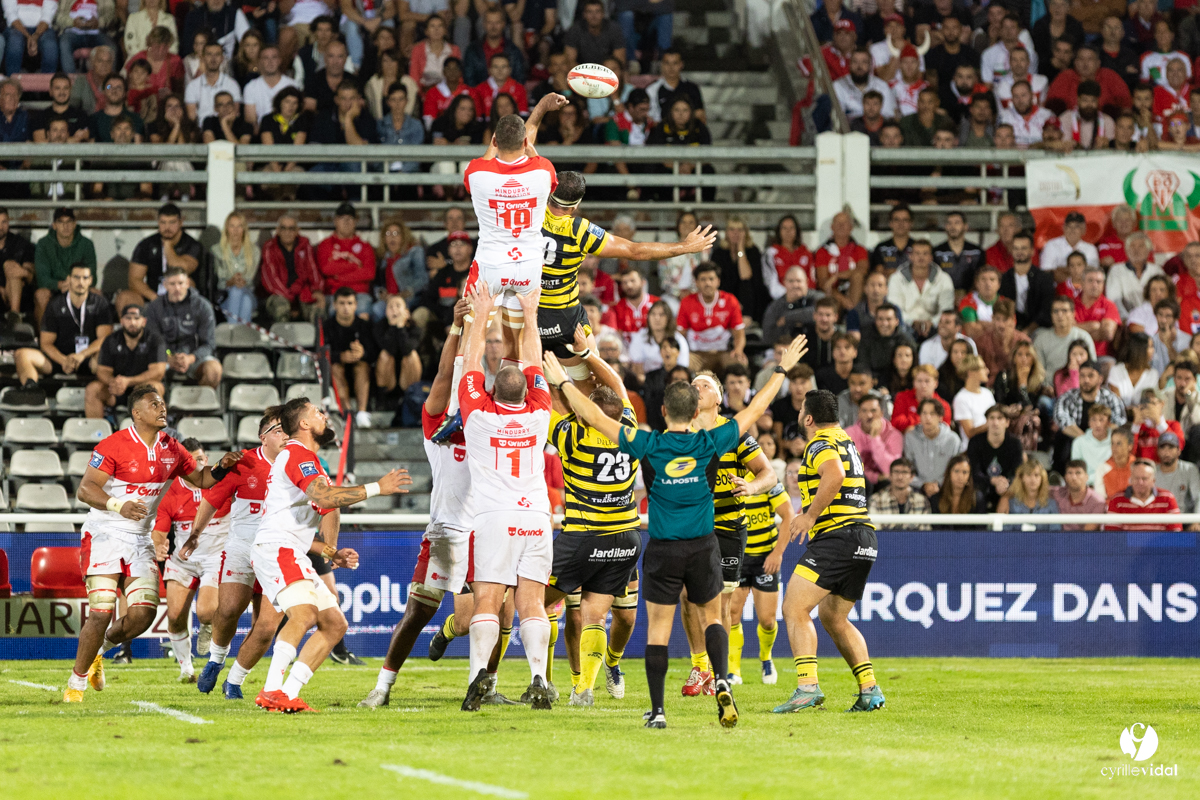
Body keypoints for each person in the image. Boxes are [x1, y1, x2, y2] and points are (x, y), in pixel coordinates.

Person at [546, 331, 806, 727]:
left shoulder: (648, 444)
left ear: (664, 412)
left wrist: (563, 381)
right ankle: (721, 682)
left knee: (661, 631)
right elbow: (756, 408)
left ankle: (658, 711)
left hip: (665, 549)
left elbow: (597, 417)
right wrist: (782, 369)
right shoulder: (711, 443)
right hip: (704, 547)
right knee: (714, 618)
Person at [359, 298, 516, 708]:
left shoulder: (493, 427)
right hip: (447, 534)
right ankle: (382, 688)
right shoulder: (437, 426)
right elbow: (447, 371)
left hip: (486, 533)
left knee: (495, 617)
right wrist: (456, 329)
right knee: (417, 614)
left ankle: (488, 687)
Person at [62, 385, 241, 703]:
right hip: (105, 533)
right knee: (102, 611)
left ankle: (98, 651)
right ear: (136, 413)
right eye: (153, 403)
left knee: (143, 615)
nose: (162, 407)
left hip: (139, 539)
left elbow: (201, 479)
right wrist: (119, 505)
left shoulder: (172, 448)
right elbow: (86, 489)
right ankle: (75, 686)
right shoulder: (113, 445)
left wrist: (222, 468)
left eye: (162, 402)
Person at [251, 397, 409, 712]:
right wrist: (377, 487)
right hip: (276, 546)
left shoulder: (308, 460)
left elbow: (326, 506)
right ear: (305, 424)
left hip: (291, 549)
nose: (324, 416)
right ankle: (271, 690)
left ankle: (289, 693)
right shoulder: (296, 454)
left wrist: (331, 551)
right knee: (305, 614)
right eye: (317, 412)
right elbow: (324, 496)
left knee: (335, 624)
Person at [454, 283, 556, 711]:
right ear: (526, 393)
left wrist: (480, 313)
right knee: (532, 601)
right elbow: (534, 361)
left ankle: (480, 673)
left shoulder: (477, 416)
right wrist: (529, 315)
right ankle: (537, 679)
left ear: (493, 393)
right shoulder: (539, 415)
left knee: (489, 600)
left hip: (494, 517)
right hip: (536, 516)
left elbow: (470, 362)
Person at [535, 333, 644, 706]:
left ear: (588, 414)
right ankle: (583, 688)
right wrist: (587, 353)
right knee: (596, 616)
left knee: (530, 600)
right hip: (626, 538)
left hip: (584, 537)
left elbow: (539, 407)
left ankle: (532, 680)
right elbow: (618, 387)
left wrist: (539, 367)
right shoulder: (630, 431)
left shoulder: (572, 436)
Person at [763, 388, 883, 714]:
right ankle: (870, 689)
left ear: (809, 417)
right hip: (863, 537)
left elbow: (835, 474)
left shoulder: (819, 442)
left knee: (793, 608)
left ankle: (807, 687)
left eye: (802, 410)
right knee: (833, 617)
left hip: (838, 537)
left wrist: (810, 514)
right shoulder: (845, 439)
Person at [677, 367, 780, 696]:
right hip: (692, 526)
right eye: (693, 385)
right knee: (687, 596)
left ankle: (719, 672)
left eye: (705, 384)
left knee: (720, 604)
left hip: (728, 528)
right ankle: (700, 668)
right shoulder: (680, 434)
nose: (698, 388)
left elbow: (769, 475)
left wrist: (750, 487)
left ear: (719, 397)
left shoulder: (734, 433)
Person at [186, 408, 286, 697]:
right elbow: (212, 499)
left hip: (278, 554)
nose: (283, 436)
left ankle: (235, 681)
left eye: (285, 430)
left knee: (266, 627)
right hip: (242, 548)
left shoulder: (298, 464)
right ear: (262, 437)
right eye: (277, 430)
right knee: (228, 610)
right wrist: (195, 534)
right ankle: (216, 661)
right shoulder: (244, 463)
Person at [150, 438, 232, 682]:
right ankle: (186, 669)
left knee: (206, 612)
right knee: (174, 617)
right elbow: (160, 532)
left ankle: (208, 626)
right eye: (192, 460)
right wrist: (158, 545)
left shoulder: (224, 484)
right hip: (183, 561)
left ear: (206, 460)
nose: (198, 464)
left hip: (215, 558)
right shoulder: (172, 493)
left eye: (201, 459)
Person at [10, 262, 113, 405]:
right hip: (59, 358)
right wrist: (64, 360)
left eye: (85, 278)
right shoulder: (55, 305)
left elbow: (104, 339)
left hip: (88, 358)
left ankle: (107, 396)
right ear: (69, 279)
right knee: (22, 354)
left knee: (104, 355)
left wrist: (82, 355)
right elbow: (46, 343)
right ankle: (31, 390)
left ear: (91, 280)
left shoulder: (100, 304)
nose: (80, 282)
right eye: (76, 277)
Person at [144, 268, 222, 389]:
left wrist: (190, 358)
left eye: (180, 283)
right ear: (165, 285)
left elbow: (209, 344)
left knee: (214, 371)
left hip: (193, 357)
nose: (177, 288)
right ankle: (159, 404)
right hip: (164, 357)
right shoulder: (154, 308)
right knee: (145, 370)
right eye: (172, 284)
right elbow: (151, 341)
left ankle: (200, 403)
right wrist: (168, 357)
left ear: (187, 283)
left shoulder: (202, 306)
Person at [85, 305, 167, 418]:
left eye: (137, 318)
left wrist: (128, 381)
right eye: (128, 318)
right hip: (116, 390)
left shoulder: (155, 340)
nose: (132, 322)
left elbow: (158, 372)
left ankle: (153, 434)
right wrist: (114, 382)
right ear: (121, 321)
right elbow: (103, 371)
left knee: (154, 388)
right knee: (92, 389)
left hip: (141, 387)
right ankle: (96, 434)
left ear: (144, 321)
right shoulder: (110, 340)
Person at [119, 203, 202, 311]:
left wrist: (168, 247)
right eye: (163, 222)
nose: (167, 227)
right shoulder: (146, 244)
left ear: (181, 222)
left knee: (188, 284)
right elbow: (134, 280)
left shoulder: (192, 245)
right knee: (124, 297)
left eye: (172, 222)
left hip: (180, 295)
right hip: (153, 296)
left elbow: (181, 270)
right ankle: (131, 327)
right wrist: (155, 298)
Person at [1054, 358, 1126, 473]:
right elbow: (1062, 420)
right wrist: (1087, 440)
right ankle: (1060, 476)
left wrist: (1097, 439)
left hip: (1103, 440)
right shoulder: (1067, 398)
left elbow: (1119, 422)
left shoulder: (1111, 399)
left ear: (1100, 379)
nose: (1086, 380)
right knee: (1062, 437)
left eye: (1091, 376)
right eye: (1082, 376)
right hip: (1077, 438)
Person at [676, 261, 747, 374]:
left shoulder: (730, 301)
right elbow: (680, 335)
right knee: (680, 366)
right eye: (703, 279)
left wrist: (738, 349)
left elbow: (739, 333)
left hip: (722, 353)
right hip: (696, 354)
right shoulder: (687, 303)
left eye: (711, 279)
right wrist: (683, 354)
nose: (707, 283)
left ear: (718, 281)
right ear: (697, 283)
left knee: (739, 363)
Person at [33, 206, 97, 326]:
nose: (65, 226)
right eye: (61, 222)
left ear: (74, 224)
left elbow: (92, 274)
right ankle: (44, 339)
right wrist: (59, 285)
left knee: (97, 294)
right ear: (54, 225)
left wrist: (74, 283)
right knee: (41, 295)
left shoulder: (86, 244)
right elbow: (42, 278)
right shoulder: (43, 244)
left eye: (69, 222)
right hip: (55, 289)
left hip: (79, 286)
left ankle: (94, 339)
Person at [325, 287, 378, 427]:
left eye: (349, 303)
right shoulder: (326, 326)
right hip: (336, 372)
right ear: (334, 305)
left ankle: (362, 413)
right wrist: (340, 356)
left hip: (362, 374)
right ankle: (346, 413)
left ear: (356, 305)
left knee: (362, 366)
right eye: (342, 303)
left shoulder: (365, 326)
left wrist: (363, 353)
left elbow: (374, 354)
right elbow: (321, 353)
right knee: (336, 367)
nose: (346, 307)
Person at [886, 240, 955, 341]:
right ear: (910, 256)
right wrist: (912, 322)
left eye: (925, 253)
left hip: (935, 326)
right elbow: (895, 308)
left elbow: (946, 309)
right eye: (917, 253)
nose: (921, 257)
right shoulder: (896, 278)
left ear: (931, 257)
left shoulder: (943, 279)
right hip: (904, 326)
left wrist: (932, 322)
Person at [260, 215, 324, 323]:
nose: (287, 232)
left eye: (291, 228)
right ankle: (282, 339)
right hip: (277, 295)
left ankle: (317, 339)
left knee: (317, 308)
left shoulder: (305, 244)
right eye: (283, 228)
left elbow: (313, 270)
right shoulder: (269, 247)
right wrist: (290, 299)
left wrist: (317, 290)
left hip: (301, 292)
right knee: (281, 306)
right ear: (278, 230)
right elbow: (271, 281)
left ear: (297, 231)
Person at [316, 202, 376, 318]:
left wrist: (339, 276)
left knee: (363, 311)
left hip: (359, 294)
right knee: (335, 311)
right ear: (335, 221)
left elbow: (369, 273)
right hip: (334, 293)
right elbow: (327, 269)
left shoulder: (365, 246)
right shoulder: (325, 245)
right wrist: (354, 266)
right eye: (342, 218)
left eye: (350, 218)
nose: (346, 222)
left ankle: (361, 336)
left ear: (355, 222)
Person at [967, 405, 1024, 511]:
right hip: (982, 487)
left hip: (1007, 487)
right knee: (976, 495)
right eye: (991, 418)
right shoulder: (975, 442)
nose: (995, 422)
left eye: (999, 418)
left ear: (1007, 422)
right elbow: (974, 472)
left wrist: (1006, 485)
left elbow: (1017, 472)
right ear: (987, 421)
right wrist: (992, 480)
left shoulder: (1015, 443)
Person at [904, 397, 961, 499]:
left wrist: (938, 485)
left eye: (932, 414)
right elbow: (908, 468)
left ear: (940, 417)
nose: (927, 417)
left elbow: (956, 470)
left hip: (946, 487)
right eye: (924, 413)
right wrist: (923, 485)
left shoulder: (953, 440)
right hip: (917, 487)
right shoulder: (911, 437)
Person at [1103, 459, 1182, 532]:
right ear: (1130, 479)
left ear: (1153, 480)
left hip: (1160, 546)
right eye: (1136, 478)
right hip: (1127, 546)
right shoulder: (1117, 500)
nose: (1140, 482)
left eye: (1144, 478)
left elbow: (1176, 531)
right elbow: (1112, 534)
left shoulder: (1168, 498)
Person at [845, 394, 903, 487]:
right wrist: (876, 477)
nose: (869, 415)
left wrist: (875, 437)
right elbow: (850, 469)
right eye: (864, 411)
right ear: (858, 413)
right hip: (859, 483)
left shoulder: (895, 435)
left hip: (887, 485)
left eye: (873, 410)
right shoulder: (848, 434)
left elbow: (890, 469)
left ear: (882, 413)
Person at [211, 210, 258, 322]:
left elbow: (249, 279)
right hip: (225, 296)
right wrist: (230, 282)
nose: (235, 230)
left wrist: (238, 281)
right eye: (232, 226)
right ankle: (242, 339)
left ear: (244, 229)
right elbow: (219, 280)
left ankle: (231, 335)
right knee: (244, 301)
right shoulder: (216, 250)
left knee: (239, 292)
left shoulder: (254, 251)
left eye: (239, 226)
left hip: (248, 292)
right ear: (227, 228)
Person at [762, 268, 824, 347]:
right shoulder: (776, 306)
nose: (795, 285)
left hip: (815, 347)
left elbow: (821, 313)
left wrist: (787, 318)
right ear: (784, 282)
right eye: (791, 281)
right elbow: (767, 335)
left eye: (799, 281)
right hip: (785, 350)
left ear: (807, 282)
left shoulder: (818, 297)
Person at [1035, 296, 1097, 375]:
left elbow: (1093, 368)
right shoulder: (1041, 339)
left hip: (1078, 385)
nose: (1060, 315)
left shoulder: (1084, 337)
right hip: (1049, 385)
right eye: (1056, 311)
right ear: (1051, 315)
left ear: (1073, 314)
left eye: (1064, 310)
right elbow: (1037, 372)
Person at [868, 457, 931, 528]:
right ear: (890, 475)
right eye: (896, 472)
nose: (900, 477)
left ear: (912, 477)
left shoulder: (922, 501)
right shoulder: (876, 500)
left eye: (904, 472)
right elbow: (875, 532)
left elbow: (925, 533)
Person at [997, 459, 1060, 527]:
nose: (1033, 479)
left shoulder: (1051, 504)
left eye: (1036, 475)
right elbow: (1005, 532)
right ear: (1022, 478)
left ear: (1042, 478)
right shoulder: (1011, 504)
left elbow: (1055, 532)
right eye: (1029, 475)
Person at [892, 364, 952, 432]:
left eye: (927, 381)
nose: (923, 385)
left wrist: (911, 423)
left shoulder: (943, 406)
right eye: (919, 381)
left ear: (936, 384)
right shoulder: (902, 397)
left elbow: (944, 432)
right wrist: (925, 420)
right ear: (914, 383)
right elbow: (895, 423)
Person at [1130, 387, 1185, 461]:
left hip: (1165, 468)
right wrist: (1136, 425)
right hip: (1143, 468)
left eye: (1152, 403)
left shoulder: (1173, 425)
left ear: (1162, 404)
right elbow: (1129, 452)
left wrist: (1158, 423)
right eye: (1145, 403)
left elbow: (1179, 447)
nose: (1149, 406)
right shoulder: (1138, 427)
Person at [1108, 332, 1159, 410]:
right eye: (1150, 347)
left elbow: (1148, 403)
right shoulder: (1116, 370)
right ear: (1140, 349)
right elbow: (1116, 403)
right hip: (1119, 417)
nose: (1153, 351)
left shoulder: (1153, 374)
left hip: (1142, 418)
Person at [952, 354, 995, 444]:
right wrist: (992, 423)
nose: (987, 371)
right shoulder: (961, 399)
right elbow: (969, 433)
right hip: (972, 448)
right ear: (971, 372)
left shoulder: (988, 393)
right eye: (983, 367)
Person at [1052, 459, 1106, 528]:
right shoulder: (1057, 493)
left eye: (1078, 473)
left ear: (1086, 477)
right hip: (1059, 537)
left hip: (1086, 538)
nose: (1074, 477)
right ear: (1065, 477)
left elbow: (1087, 533)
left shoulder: (1097, 501)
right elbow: (1039, 489)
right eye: (1070, 473)